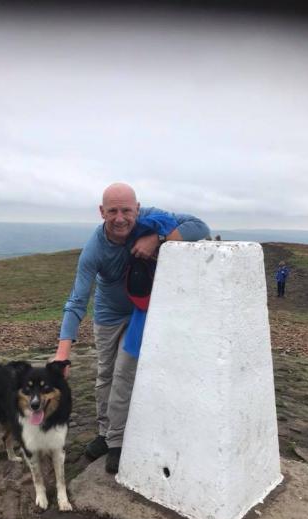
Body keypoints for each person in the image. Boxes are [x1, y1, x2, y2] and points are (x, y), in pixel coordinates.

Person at [53, 182, 210, 474]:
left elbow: (200, 226)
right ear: (102, 212)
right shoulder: (94, 250)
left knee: (123, 373)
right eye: (112, 211)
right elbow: (77, 300)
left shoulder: (152, 217)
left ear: (137, 208)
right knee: (105, 374)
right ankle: (104, 431)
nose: (120, 218)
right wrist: (63, 353)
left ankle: (117, 442)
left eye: (126, 210)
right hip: (107, 315)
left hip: (139, 312)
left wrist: (157, 236)